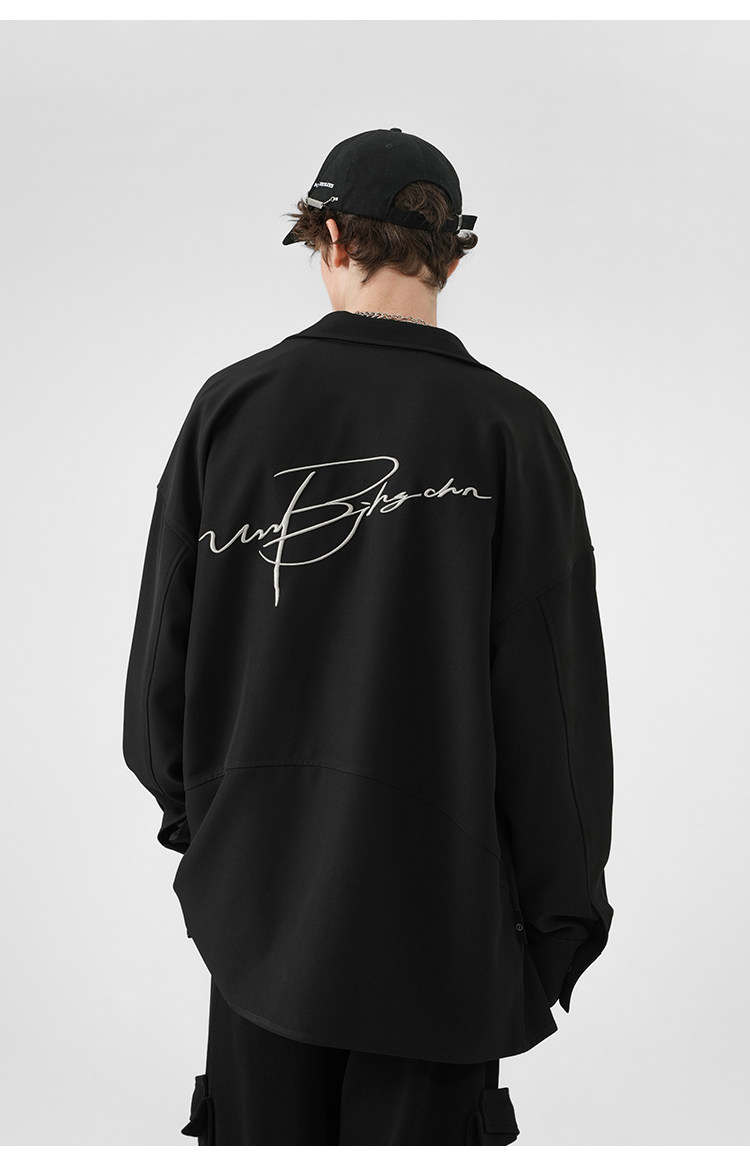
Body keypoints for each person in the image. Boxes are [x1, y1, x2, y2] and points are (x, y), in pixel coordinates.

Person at [122, 127, 615, 1146]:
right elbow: (555, 703)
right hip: (443, 923)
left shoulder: (233, 407)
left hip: (261, 912)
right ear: (453, 255)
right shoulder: (510, 429)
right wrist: (562, 920)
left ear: (334, 236)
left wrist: (214, 835)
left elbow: (161, 663)